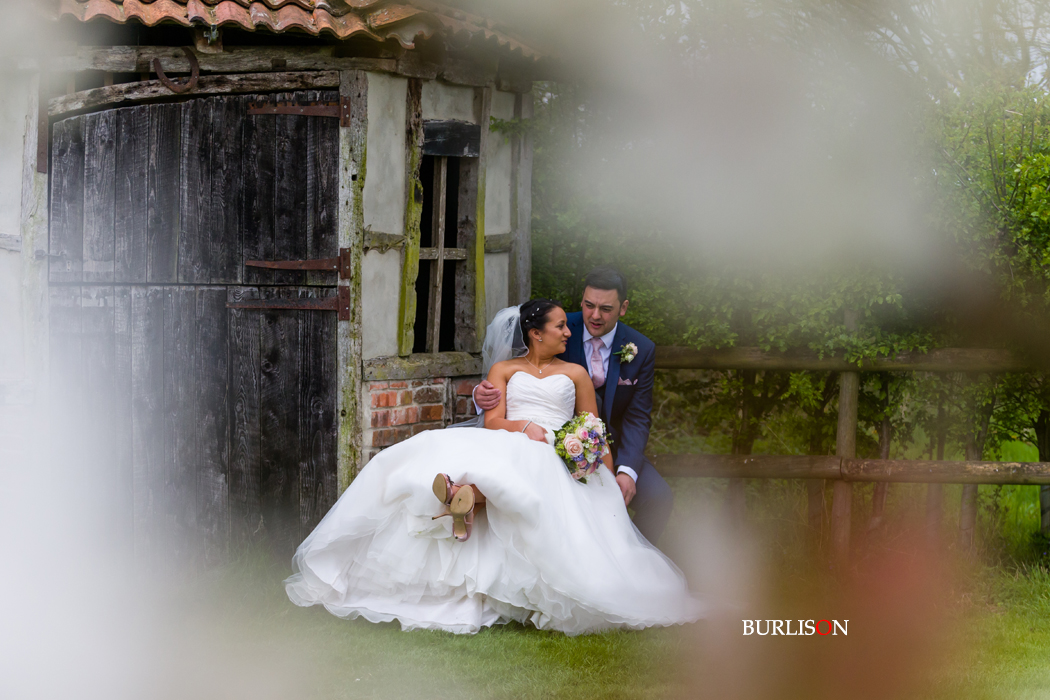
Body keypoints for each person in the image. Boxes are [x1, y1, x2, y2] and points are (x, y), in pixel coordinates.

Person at [285, 300, 701, 635]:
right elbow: (493, 422)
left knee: (529, 470)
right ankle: (463, 496)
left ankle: (464, 497)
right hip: (513, 436)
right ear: (536, 333)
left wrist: (607, 474)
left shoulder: (576, 374)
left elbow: (593, 429)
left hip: (556, 448)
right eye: (560, 327)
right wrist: (526, 427)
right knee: (455, 452)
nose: (568, 332)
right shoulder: (504, 369)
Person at [474, 267, 674, 544]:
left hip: (608, 443)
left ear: (623, 307)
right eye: (589, 305)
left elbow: (637, 417)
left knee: (659, 497)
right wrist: (481, 393)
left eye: (606, 309)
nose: (595, 315)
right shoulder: (556, 325)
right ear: (581, 300)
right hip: (547, 439)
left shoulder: (641, 348)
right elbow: (516, 365)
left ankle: (625, 551)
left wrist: (625, 471)